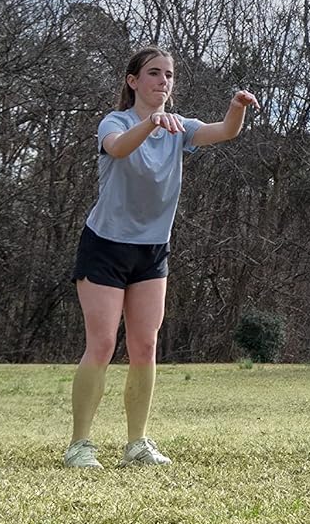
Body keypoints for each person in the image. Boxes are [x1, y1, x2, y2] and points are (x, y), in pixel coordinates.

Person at [63, 46, 260, 468]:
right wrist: (150, 123)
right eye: (154, 73)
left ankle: (137, 444)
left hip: (152, 250)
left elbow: (225, 131)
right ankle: (80, 444)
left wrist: (237, 107)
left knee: (145, 345)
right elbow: (118, 149)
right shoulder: (115, 122)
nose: (163, 81)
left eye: (168, 75)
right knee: (102, 344)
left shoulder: (179, 127)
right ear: (133, 81)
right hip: (105, 245)